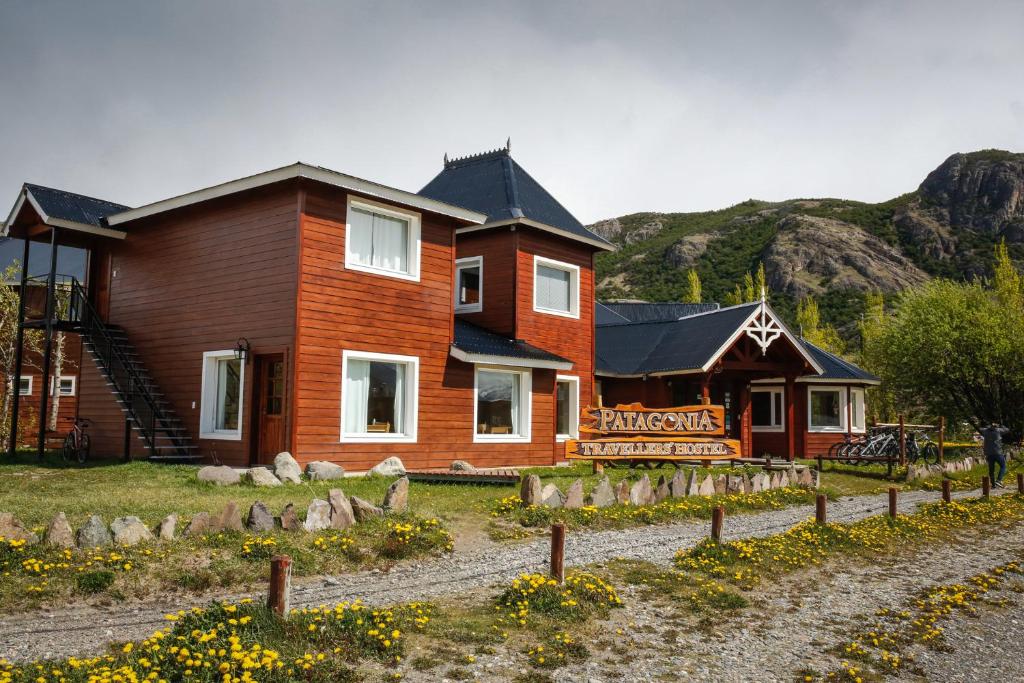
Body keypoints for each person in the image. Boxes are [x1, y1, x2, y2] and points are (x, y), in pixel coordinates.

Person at [980, 423, 1011, 488]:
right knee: (1003, 466)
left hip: (989, 453)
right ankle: (999, 480)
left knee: (991, 469)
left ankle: (993, 485)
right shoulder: (998, 430)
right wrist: (1001, 425)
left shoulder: (986, 431)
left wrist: (988, 427)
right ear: (995, 427)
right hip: (998, 453)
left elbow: (981, 428)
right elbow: (1007, 429)